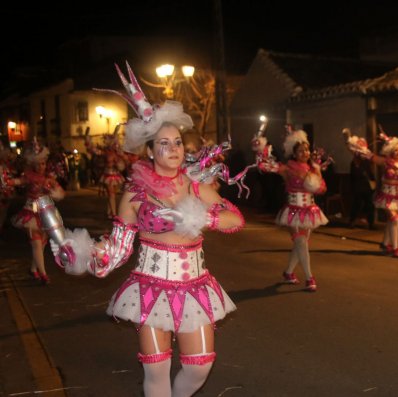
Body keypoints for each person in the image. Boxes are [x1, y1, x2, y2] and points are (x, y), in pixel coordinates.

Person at [51, 61, 245, 396]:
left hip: (194, 287)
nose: (174, 149)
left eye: (178, 142)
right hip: (150, 290)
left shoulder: (195, 185)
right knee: (156, 373)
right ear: (151, 151)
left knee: (200, 366)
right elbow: (119, 248)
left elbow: (235, 218)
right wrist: (84, 254)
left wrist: (202, 219)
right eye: (165, 144)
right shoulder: (136, 193)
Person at [252, 123, 329, 291]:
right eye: (301, 150)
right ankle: (309, 277)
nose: (305, 153)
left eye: (307, 150)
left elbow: (322, 188)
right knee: (301, 241)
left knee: (300, 245)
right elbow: (264, 166)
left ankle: (288, 272)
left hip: (310, 209)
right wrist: (260, 149)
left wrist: (317, 183)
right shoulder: (287, 169)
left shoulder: (313, 168)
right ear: (294, 153)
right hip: (293, 210)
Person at [343, 128, 398, 258]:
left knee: (391, 220)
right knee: (394, 219)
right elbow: (369, 156)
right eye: (395, 150)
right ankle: (395, 248)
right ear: (390, 151)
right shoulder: (385, 162)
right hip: (387, 196)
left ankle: (385, 243)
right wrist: (352, 145)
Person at [10, 138, 65, 284]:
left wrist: (55, 193)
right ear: (33, 165)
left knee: (42, 243)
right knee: (36, 244)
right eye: (39, 164)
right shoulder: (28, 177)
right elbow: (17, 181)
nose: (42, 166)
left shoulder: (49, 178)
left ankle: (34, 270)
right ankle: (43, 274)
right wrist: (8, 182)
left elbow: (60, 192)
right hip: (30, 214)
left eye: (43, 163)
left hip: (46, 213)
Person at [85, 128, 128, 218]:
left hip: (116, 174)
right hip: (108, 175)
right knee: (111, 194)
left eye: (110, 140)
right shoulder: (105, 152)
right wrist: (88, 138)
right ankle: (114, 214)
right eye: (107, 140)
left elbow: (124, 157)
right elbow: (93, 149)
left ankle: (109, 212)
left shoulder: (117, 151)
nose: (108, 142)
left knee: (112, 194)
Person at [348, 155, 375, 229]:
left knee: (369, 205)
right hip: (358, 187)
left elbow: (370, 173)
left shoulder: (366, 162)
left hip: (366, 187)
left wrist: (373, 183)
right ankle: (352, 221)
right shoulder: (354, 162)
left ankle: (370, 223)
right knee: (357, 204)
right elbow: (354, 175)